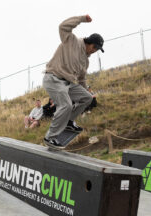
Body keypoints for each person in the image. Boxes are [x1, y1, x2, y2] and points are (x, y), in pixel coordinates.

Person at [42, 14, 104, 149]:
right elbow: (63, 26)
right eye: (94, 48)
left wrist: (87, 90)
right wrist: (82, 19)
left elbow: (81, 78)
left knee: (87, 98)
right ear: (90, 44)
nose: (94, 52)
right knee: (66, 105)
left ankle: (69, 121)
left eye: (97, 50)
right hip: (53, 78)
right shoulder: (71, 41)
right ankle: (50, 137)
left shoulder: (85, 60)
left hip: (68, 84)